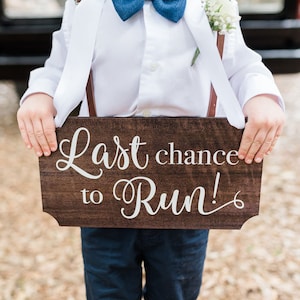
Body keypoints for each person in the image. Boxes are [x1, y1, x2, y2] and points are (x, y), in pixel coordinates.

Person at [17, 0, 285, 299]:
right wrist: (40, 94)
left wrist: (260, 96)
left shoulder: (212, 2)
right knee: (107, 287)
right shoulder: (86, 4)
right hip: (104, 185)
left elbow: (239, 65)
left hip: (186, 186)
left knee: (177, 288)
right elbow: (61, 66)